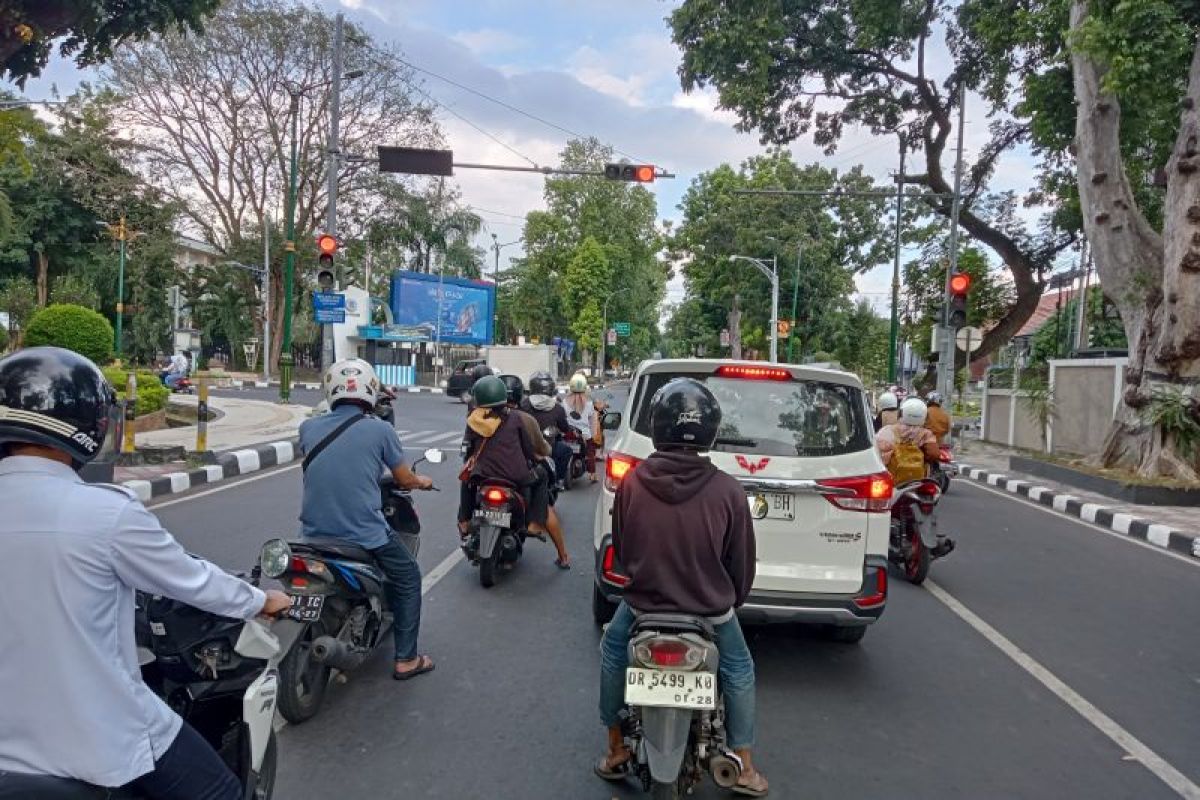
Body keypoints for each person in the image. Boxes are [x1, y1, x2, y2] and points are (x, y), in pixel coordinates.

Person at [0, 346, 293, 799]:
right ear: (89, 425)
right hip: (97, 739)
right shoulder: (105, 514)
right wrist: (260, 600)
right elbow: (190, 579)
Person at [594, 378, 769, 797]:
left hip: (641, 607)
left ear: (658, 426)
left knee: (613, 653)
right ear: (709, 429)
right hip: (709, 611)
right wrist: (728, 601)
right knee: (739, 668)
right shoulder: (728, 490)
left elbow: (623, 548)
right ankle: (744, 765)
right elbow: (740, 565)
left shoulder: (633, 484)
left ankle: (616, 747)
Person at [298, 357, 436, 681]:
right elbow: (403, 479)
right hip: (362, 534)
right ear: (371, 392)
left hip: (312, 533)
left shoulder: (307, 428)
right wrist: (422, 481)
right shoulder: (381, 430)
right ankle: (407, 659)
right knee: (408, 577)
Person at [461, 375, 570, 568]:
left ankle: (463, 520)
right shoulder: (518, 418)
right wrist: (535, 459)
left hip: (483, 474)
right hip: (515, 475)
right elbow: (528, 448)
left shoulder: (474, 418)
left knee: (467, 479)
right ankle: (535, 523)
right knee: (541, 476)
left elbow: (468, 448)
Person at [875, 398, 955, 557]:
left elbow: (876, 455)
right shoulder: (925, 434)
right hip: (918, 481)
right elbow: (934, 454)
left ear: (902, 413)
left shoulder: (887, 431)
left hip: (893, 482)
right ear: (924, 417)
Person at [521, 371, 571, 489]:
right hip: (547, 447)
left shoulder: (523, 404)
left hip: (526, 447)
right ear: (551, 387)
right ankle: (558, 480)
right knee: (567, 451)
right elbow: (565, 428)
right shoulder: (557, 408)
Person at [564, 373, 599, 483]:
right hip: (584, 433)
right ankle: (592, 474)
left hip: (567, 432)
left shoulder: (564, 402)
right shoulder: (588, 403)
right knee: (590, 452)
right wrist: (592, 436)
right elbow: (593, 421)